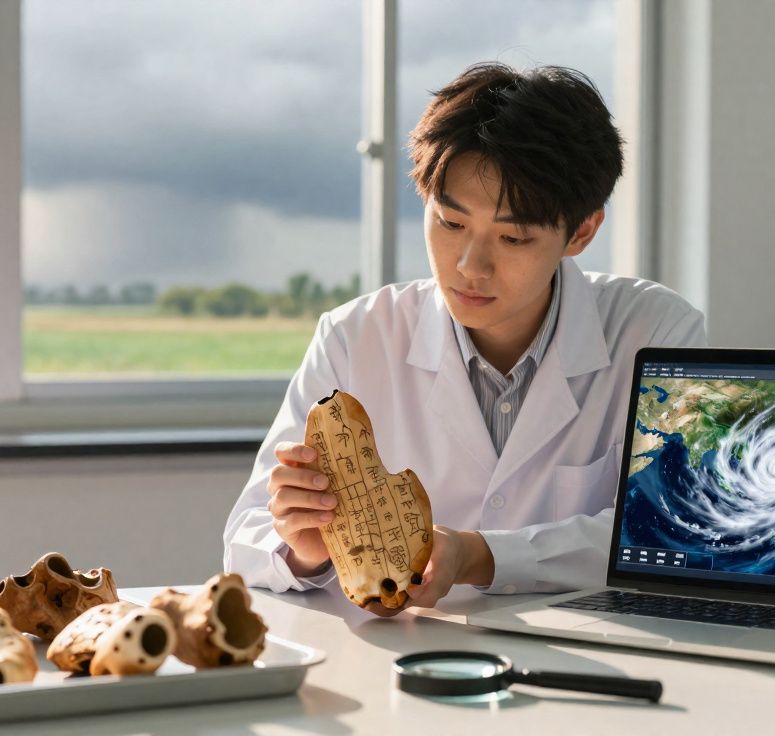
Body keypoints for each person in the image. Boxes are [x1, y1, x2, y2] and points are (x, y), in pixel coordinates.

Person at [223, 62, 706, 616]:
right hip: (395, 663)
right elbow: (246, 540)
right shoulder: (355, 335)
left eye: (513, 237)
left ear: (582, 231)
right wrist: (305, 549)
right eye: (450, 224)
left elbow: (670, 533)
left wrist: (478, 556)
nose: (471, 266)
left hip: (585, 657)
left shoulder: (658, 332)